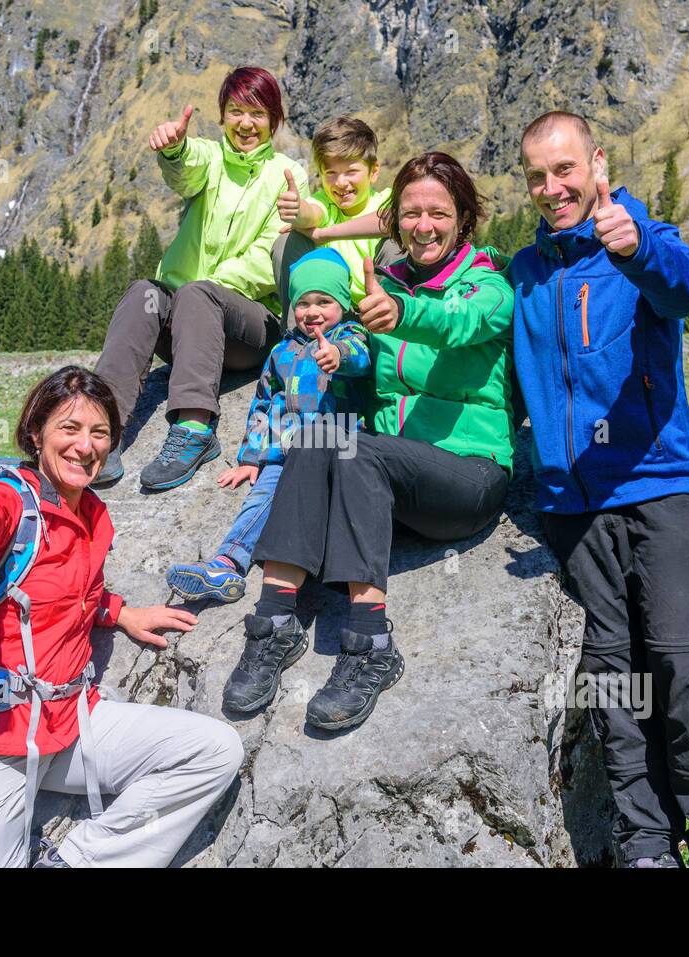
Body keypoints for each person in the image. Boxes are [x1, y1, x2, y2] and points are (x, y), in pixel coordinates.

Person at [507, 110, 689, 868]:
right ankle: (645, 845)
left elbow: (687, 289)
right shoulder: (525, 272)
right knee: (615, 682)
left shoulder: (638, 235)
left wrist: (635, 245)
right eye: (538, 177)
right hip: (573, 506)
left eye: (565, 170)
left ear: (596, 162)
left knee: (684, 673)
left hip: (657, 488)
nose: (553, 188)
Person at [221, 152, 515, 732]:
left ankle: (369, 645)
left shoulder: (490, 284)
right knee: (320, 437)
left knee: (359, 447)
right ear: (393, 220)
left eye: (438, 213)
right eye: (410, 213)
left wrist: (398, 311)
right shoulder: (383, 286)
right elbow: (342, 354)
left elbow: (458, 322)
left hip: (468, 477)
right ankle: (273, 624)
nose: (423, 226)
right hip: (385, 483)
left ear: (464, 219)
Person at [0, 366, 244, 867]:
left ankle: (74, 861)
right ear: (36, 435)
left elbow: (68, 591)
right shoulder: (11, 501)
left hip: (68, 726)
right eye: (69, 428)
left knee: (214, 751)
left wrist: (119, 612)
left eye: (100, 432)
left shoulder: (93, 513)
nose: (86, 445)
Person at [91, 66, 309, 491]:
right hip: (187, 321)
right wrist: (174, 151)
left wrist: (202, 289)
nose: (246, 123)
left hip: (247, 328)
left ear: (274, 120)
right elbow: (186, 170)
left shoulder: (287, 173)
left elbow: (269, 257)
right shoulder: (208, 156)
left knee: (197, 293)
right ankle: (102, 427)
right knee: (141, 293)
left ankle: (195, 428)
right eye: (235, 111)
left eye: (258, 113)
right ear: (222, 116)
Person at [165, 248, 372, 603]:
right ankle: (225, 564)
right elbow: (264, 403)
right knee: (261, 499)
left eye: (324, 301)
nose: (312, 312)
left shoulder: (351, 336)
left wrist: (338, 355)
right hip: (283, 452)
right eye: (303, 303)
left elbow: (361, 359)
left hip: (338, 448)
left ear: (342, 303)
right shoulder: (282, 352)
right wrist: (251, 457)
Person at [272, 116, 393, 308]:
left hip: (382, 310)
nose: (340, 183)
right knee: (288, 240)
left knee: (396, 240)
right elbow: (312, 213)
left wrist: (324, 234)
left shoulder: (386, 201)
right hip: (333, 314)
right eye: (331, 173)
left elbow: (395, 217)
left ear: (374, 171)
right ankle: (296, 331)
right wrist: (297, 209)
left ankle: (392, 332)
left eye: (351, 172)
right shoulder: (326, 203)